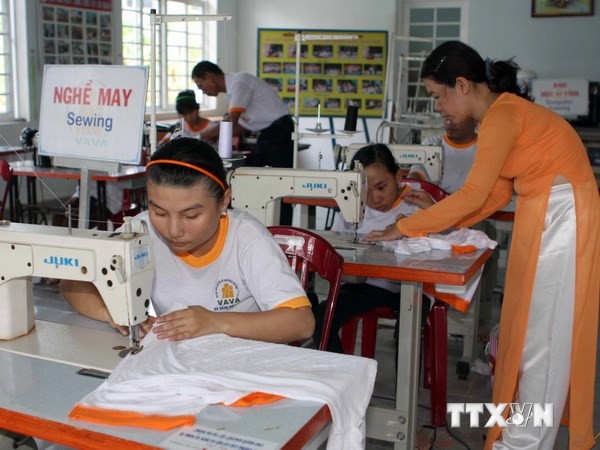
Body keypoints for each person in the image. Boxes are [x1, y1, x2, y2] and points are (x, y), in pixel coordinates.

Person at [364, 41, 600, 450]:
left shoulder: (502, 115)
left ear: (461, 84)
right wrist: (433, 222)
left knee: (543, 337)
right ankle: (521, 434)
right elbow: (492, 197)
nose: (438, 108)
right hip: (545, 211)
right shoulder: (504, 115)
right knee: (526, 335)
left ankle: (524, 442)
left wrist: (408, 228)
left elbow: (475, 193)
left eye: (438, 96)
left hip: (562, 216)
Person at [60, 137, 315, 344]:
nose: (173, 230)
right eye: (159, 212)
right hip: (179, 361)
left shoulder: (248, 240)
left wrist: (215, 322)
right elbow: (71, 285)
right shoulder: (141, 230)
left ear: (224, 201)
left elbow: (301, 323)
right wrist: (114, 313)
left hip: (241, 363)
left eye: (190, 215)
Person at [313, 143, 427, 353]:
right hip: (367, 285)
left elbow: (450, 237)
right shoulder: (354, 204)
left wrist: (430, 210)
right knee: (321, 320)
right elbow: (336, 244)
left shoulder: (416, 202)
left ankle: (404, 386)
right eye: (366, 190)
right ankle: (343, 378)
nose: (375, 198)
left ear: (398, 176)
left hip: (411, 288)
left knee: (408, 333)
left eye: (381, 187)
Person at [407, 116, 499, 339]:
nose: (450, 121)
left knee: (487, 243)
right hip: (433, 217)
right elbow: (414, 180)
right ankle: (414, 312)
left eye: (455, 117)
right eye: (446, 117)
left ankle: (477, 319)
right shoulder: (432, 145)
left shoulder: (484, 148)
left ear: (474, 119)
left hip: (469, 219)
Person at [191, 60, 294, 224]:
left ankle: (282, 228)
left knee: (278, 185)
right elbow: (237, 128)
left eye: (200, 84)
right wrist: (211, 137)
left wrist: (199, 137)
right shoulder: (233, 92)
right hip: (268, 133)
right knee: (260, 182)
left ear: (209, 76)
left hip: (279, 132)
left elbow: (230, 122)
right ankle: (265, 225)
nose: (202, 90)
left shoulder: (240, 82)